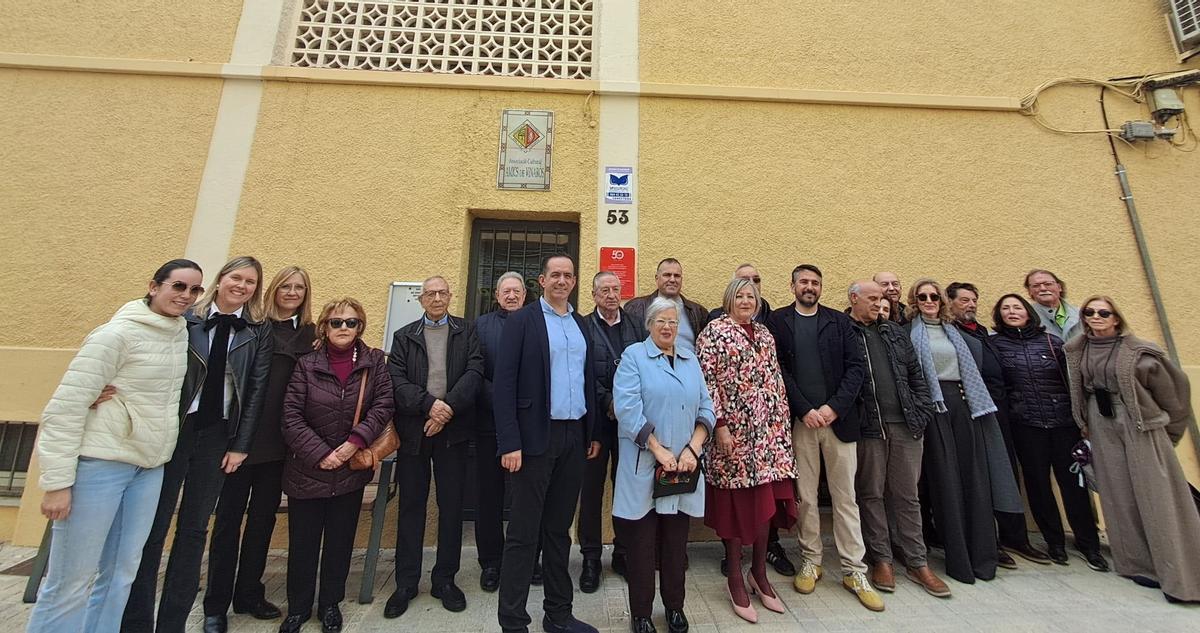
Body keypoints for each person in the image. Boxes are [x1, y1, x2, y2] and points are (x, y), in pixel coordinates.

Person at [27, 260, 203, 633]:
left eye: (194, 290)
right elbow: (64, 409)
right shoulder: (114, 335)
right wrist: (57, 483)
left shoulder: (180, 334)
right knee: (70, 582)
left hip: (148, 468)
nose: (185, 296)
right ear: (154, 287)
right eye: (178, 286)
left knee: (122, 574)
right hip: (101, 466)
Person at [124, 256, 273, 633]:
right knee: (153, 529)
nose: (242, 286)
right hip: (175, 432)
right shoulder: (185, 318)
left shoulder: (257, 331)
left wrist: (241, 445)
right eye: (236, 278)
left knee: (193, 531)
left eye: (251, 282)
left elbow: (254, 392)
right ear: (220, 280)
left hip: (219, 434)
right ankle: (137, 621)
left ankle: (173, 622)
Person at [203, 266, 317, 632]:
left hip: (281, 442)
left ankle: (249, 592)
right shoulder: (252, 327)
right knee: (228, 522)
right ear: (273, 289)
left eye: (299, 287)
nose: (292, 292)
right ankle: (215, 605)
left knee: (262, 521)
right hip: (242, 437)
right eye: (286, 286)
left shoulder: (311, 335)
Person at [1065, 296, 1200, 603]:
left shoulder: (1140, 351)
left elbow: (1174, 396)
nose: (1095, 317)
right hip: (1100, 422)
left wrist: (1168, 432)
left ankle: (1181, 575)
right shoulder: (1078, 349)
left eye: (1103, 312)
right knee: (1118, 495)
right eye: (1089, 312)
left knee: (1158, 498)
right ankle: (1138, 564)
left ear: (1116, 318)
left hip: (1140, 423)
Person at [493, 254, 600, 633]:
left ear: (574, 281)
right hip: (533, 438)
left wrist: (592, 434)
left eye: (568, 275)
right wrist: (509, 442)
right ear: (542, 280)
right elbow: (504, 384)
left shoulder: (580, 323)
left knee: (558, 531)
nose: (561, 280)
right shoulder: (523, 321)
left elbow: (588, 380)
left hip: (574, 436)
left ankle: (558, 615)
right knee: (523, 533)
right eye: (555, 274)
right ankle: (513, 620)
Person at [766, 265, 880, 611]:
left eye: (816, 282)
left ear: (821, 287)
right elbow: (778, 370)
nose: (810, 287)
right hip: (802, 423)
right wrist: (804, 409)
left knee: (846, 498)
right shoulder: (779, 322)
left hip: (838, 423)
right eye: (804, 281)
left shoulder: (839, 322)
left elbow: (855, 368)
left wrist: (833, 408)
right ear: (793, 286)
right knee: (806, 498)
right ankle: (811, 560)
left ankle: (853, 569)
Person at [280, 297, 395, 632]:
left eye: (351, 322)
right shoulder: (307, 364)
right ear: (324, 326)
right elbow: (290, 415)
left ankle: (330, 604)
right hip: (308, 470)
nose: (343, 328)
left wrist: (353, 444)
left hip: (350, 470)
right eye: (336, 322)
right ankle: (298, 608)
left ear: (360, 326)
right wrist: (321, 453)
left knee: (340, 542)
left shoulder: (374, 362)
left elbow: (383, 405)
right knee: (303, 542)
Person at [906, 279, 1024, 584]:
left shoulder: (956, 333)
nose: (929, 300)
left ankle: (983, 557)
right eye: (923, 296)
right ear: (914, 301)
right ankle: (958, 560)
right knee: (946, 483)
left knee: (976, 480)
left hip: (965, 406)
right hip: (934, 409)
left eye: (934, 296)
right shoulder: (908, 335)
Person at [613, 297, 715, 633]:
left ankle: (674, 608)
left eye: (673, 321)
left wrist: (693, 449)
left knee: (675, 546)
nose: (668, 327)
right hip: (647, 465)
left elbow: (707, 408)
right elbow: (627, 410)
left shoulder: (690, 360)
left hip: (683, 468)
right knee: (641, 547)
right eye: (661, 321)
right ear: (650, 324)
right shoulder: (634, 357)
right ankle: (641, 613)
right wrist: (658, 450)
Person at [698, 278, 797, 624]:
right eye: (739, 295)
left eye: (750, 296)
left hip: (769, 438)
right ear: (728, 299)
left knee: (765, 507)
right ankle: (735, 577)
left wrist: (781, 428)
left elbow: (775, 380)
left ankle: (759, 572)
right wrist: (720, 424)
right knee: (736, 508)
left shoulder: (766, 334)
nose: (745, 301)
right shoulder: (714, 332)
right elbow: (707, 382)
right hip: (734, 436)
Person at [385, 276, 483, 617]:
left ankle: (445, 579)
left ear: (450, 296)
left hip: (453, 432)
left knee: (451, 506)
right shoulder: (404, 336)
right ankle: (406, 582)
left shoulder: (466, 331)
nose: (437, 298)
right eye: (430, 293)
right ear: (421, 298)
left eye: (442, 293)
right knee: (411, 505)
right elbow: (395, 381)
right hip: (415, 431)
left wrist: (447, 409)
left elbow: (474, 371)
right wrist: (429, 405)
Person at [845, 281, 950, 599]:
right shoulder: (845, 332)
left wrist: (921, 412)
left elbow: (916, 375)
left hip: (906, 425)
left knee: (907, 496)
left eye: (882, 299)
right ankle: (882, 559)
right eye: (873, 298)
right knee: (871, 493)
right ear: (854, 299)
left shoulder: (893, 332)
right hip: (870, 426)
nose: (880, 304)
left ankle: (918, 562)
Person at [989, 293, 1108, 572]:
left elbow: (1072, 382)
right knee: (1038, 485)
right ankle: (1053, 541)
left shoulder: (1052, 342)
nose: (1012, 312)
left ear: (1029, 312)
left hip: (1062, 422)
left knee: (1074, 486)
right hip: (1025, 423)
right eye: (1006, 308)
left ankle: (1088, 543)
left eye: (1017, 307)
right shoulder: (995, 345)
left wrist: (1080, 420)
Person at [947, 281, 1050, 568]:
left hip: (1001, 411)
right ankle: (989, 541)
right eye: (964, 300)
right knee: (980, 476)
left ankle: (1015, 537)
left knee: (1006, 473)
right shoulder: (950, 333)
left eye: (973, 301)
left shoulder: (984, 333)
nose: (970, 305)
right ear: (950, 303)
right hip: (972, 411)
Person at [579, 271, 645, 591]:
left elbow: (644, 368)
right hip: (595, 424)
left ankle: (623, 552)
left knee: (626, 489)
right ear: (593, 295)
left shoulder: (635, 325)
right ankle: (591, 558)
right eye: (603, 290)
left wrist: (626, 405)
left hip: (630, 423)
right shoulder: (582, 327)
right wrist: (608, 402)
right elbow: (582, 373)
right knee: (591, 493)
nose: (610, 295)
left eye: (615, 289)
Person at [474, 271, 527, 592]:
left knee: (526, 497)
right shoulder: (480, 327)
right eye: (505, 291)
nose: (511, 296)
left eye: (516, 291)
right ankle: (491, 562)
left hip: (528, 425)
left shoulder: (539, 323)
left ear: (525, 294)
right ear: (496, 296)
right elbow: (474, 371)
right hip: (488, 424)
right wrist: (506, 400)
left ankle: (524, 559)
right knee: (489, 495)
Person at [624, 258, 708, 355]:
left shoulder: (698, 312)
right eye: (667, 275)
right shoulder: (635, 308)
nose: (672, 280)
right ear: (657, 278)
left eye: (677, 276)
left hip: (688, 367)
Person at [1024, 269, 1082, 341]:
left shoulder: (1081, 315)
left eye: (1048, 284)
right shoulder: (1026, 317)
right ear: (1030, 291)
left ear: (1059, 287)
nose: (1043, 288)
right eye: (1036, 286)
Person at [707, 263, 773, 324]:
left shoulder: (772, 319)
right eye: (744, 280)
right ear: (733, 286)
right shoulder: (716, 318)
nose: (752, 283)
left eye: (756, 280)